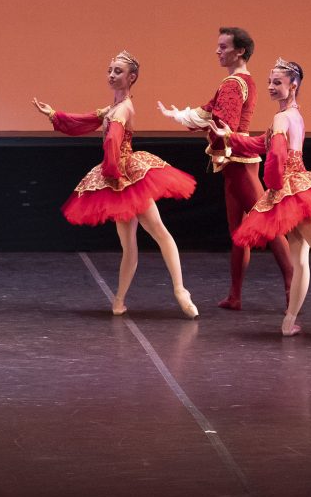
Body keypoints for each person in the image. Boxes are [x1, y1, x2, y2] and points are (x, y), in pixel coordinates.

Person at [213, 59, 311, 339]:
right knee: (300, 262)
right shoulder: (293, 116)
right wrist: (231, 137)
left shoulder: (281, 118)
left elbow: (274, 157)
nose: (272, 87)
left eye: (278, 82)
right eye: (270, 82)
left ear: (293, 85)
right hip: (295, 189)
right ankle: (289, 322)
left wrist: (273, 188)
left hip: (291, 191)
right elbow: (260, 143)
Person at [35, 51, 197, 317]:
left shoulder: (123, 109)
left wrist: (112, 172)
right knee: (130, 244)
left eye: (118, 71)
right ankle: (119, 301)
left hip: (126, 177)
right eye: (110, 70)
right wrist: (55, 114)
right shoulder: (114, 107)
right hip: (118, 178)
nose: (111, 75)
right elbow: (87, 120)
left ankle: (180, 290)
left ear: (131, 77)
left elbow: (112, 141)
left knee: (158, 231)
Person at [160, 26, 294, 308]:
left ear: (240, 51)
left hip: (240, 163)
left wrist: (205, 126)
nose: (218, 51)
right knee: (239, 232)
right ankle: (235, 295)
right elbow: (208, 112)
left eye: (223, 47)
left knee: (267, 225)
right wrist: (179, 114)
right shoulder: (236, 82)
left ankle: (293, 290)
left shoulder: (235, 84)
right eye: (218, 46)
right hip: (235, 165)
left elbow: (224, 124)